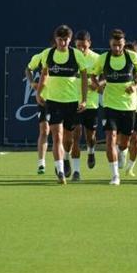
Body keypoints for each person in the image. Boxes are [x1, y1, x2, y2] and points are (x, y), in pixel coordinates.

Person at [92, 30, 137, 186]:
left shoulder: (132, 56)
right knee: (110, 140)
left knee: (124, 142)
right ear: (110, 43)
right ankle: (115, 175)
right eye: (114, 45)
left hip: (129, 106)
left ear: (124, 44)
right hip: (110, 105)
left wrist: (136, 86)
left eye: (120, 45)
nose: (117, 48)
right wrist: (97, 87)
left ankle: (122, 151)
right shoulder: (103, 58)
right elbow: (92, 75)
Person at [36, 25, 89, 184]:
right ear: (55, 39)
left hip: (72, 103)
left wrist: (84, 99)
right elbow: (44, 74)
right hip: (53, 102)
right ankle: (60, 171)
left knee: (68, 139)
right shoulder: (48, 54)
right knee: (56, 136)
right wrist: (39, 93)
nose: (63, 42)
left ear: (70, 39)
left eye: (66, 39)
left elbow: (85, 78)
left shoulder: (76, 55)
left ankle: (65, 158)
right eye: (60, 39)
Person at [73, 31, 101, 173]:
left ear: (89, 43)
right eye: (78, 46)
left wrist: (97, 84)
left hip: (91, 103)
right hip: (73, 102)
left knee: (90, 137)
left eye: (84, 45)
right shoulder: (71, 57)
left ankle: (91, 151)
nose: (81, 48)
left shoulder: (97, 58)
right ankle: (76, 171)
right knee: (75, 136)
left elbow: (106, 77)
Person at [26, 40, 54, 174]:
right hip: (44, 99)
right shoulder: (44, 55)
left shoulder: (70, 57)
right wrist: (32, 83)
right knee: (44, 130)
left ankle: (62, 162)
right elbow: (28, 68)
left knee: (62, 134)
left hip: (63, 100)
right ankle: (41, 163)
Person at [124, 40, 137, 177]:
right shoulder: (123, 69)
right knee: (122, 140)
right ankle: (121, 155)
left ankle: (130, 167)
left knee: (136, 139)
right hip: (123, 107)